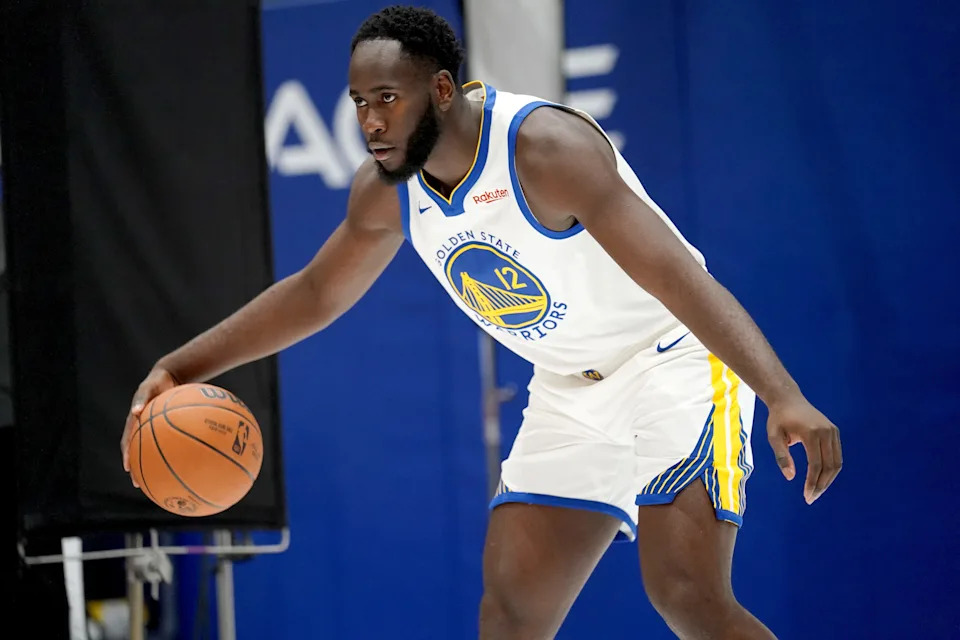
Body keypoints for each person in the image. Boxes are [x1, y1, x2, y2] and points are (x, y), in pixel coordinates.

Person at [121, 6, 842, 639]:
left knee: (686, 596)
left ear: (440, 89)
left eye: (386, 99)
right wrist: (180, 367)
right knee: (511, 614)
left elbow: (678, 277)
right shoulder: (387, 193)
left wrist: (780, 393)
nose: (370, 121)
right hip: (568, 389)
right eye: (358, 103)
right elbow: (315, 294)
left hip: (673, 360)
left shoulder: (544, 150)